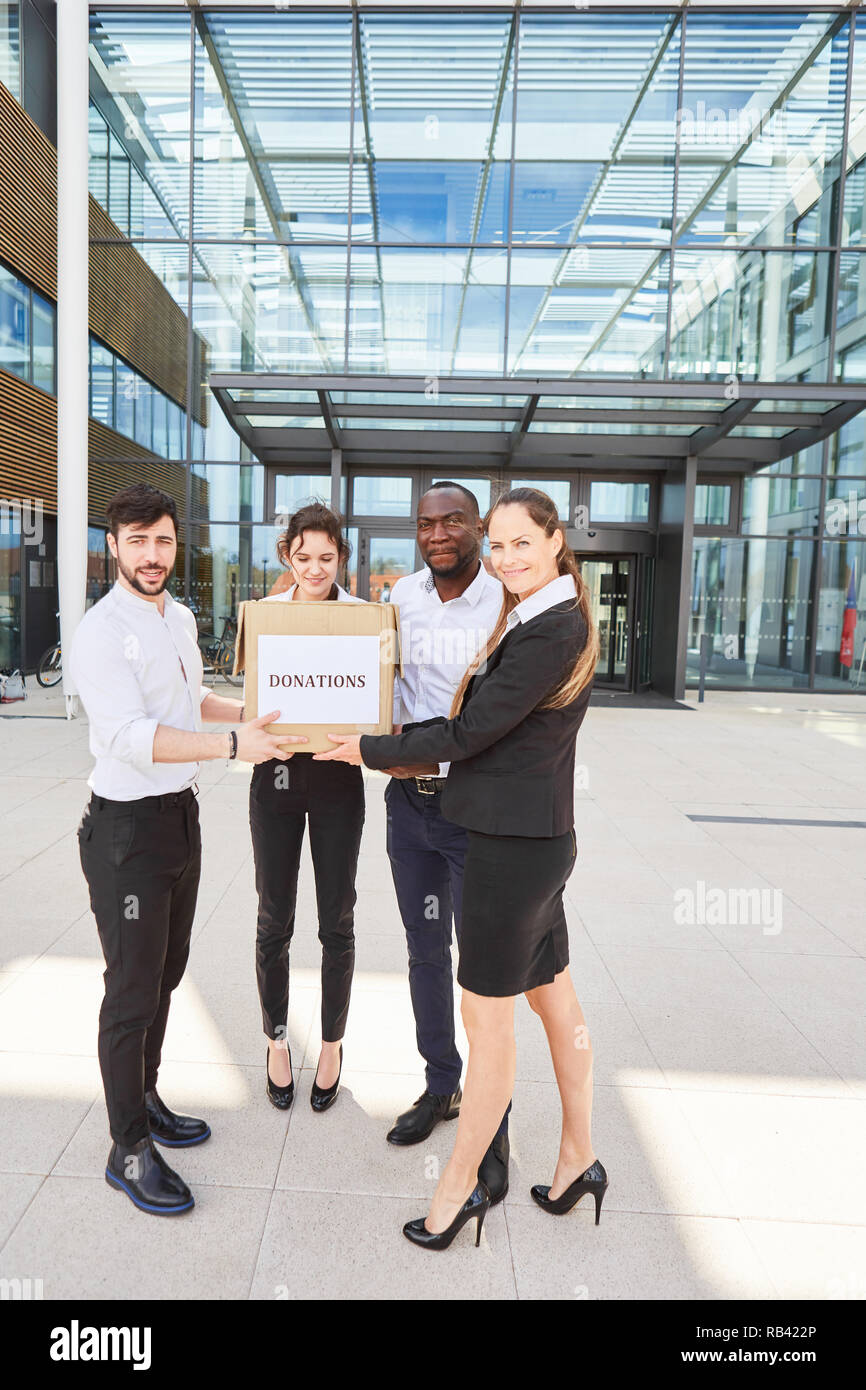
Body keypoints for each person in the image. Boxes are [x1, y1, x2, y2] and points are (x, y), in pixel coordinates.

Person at [316, 487, 606, 1250]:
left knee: (491, 1024)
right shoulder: (543, 614)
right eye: (501, 545)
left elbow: (473, 730)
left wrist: (367, 750)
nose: (508, 558)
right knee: (554, 1002)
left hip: (507, 849)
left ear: (553, 542)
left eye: (520, 543)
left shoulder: (547, 627)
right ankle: (580, 1156)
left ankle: (462, 1187)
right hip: (535, 839)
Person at [70, 483, 296, 1217]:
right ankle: (127, 1148)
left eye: (162, 540)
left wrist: (262, 714)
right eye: (136, 541)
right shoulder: (100, 634)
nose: (151, 554)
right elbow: (133, 738)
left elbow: (189, 701)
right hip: (126, 832)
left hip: (179, 818)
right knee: (131, 991)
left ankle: (148, 1096)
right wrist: (238, 745)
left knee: (166, 974)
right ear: (113, 547)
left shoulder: (181, 617)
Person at [376, 482, 510, 1205]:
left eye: (452, 520)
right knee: (426, 952)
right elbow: (391, 687)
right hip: (410, 809)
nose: (438, 533)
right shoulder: (402, 595)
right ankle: (442, 1087)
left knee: (484, 972)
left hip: (475, 810)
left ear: (478, 527)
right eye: (426, 523)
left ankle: (494, 1129)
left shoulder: (504, 601)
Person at [249, 502, 365, 1114]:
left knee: (336, 919)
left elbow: (378, 700)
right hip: (276, 777)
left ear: (339, 556)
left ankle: (331, 1043)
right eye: (303, 557)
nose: (315, 567)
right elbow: (251, 700)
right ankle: (275, 1039)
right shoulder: (264, 618)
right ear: (287, 558)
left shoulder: (362, 619)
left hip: (340, 777)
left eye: (326, 556)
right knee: (275, 915)